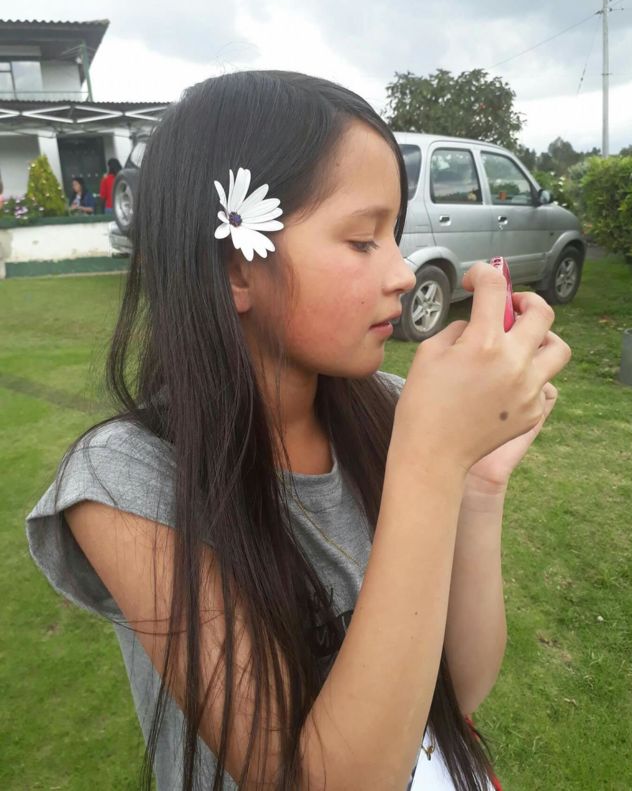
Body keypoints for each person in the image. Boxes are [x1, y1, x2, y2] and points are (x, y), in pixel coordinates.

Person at [25, 71, 571, 791]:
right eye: (363, 239)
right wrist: (432, 460)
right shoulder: (127, 482)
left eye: (395, 236)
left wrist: (476, 484)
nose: (403, 274)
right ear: (236, 268)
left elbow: (458, 690)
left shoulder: (393, 411)